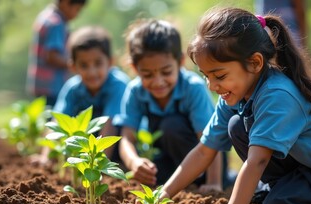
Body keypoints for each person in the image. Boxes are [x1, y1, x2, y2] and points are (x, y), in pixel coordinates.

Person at [160, 7, 311, 204]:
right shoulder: (234, 93)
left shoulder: (277, 95)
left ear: (255, 63)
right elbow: (204, 151)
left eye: (219, 75)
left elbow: (257, 160)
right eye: (206, 76)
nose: (212, 86)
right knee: (237, 126)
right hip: (308, 171)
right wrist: (164, 192)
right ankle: (282, 191)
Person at [116, 19, 225, 189]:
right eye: (147, 74)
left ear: (180, 61)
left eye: (166, 72)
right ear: (135, 68)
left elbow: (210, 139)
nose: (158, 82)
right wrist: (134, 161)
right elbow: (126, 137)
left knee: (170, 125)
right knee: (153, 175)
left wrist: (214, 183)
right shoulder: (136, 91)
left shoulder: (192, 87)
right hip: (169, 159)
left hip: (209, 159)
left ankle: (205, 180)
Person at [33, 25, 130, 165]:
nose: (92, 72)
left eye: (98, 63)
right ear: (73, 67)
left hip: (116, 144)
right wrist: (46, 157)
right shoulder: (72, 88)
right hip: (87, 148)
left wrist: (98, 166)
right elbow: (57, 121)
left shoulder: (118, 85)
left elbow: (110, 125)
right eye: (84, 65)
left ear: (110, 62)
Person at [26, 0, 87, 107]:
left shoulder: (45, 16)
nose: (77, 15)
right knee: (53, 119)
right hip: (51, 85)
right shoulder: (56, 23)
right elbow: (52, 56)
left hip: (40, 82)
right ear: (65, 2)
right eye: (77, 9)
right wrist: (76, 65)